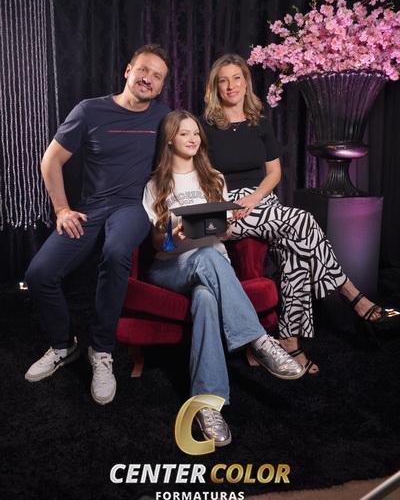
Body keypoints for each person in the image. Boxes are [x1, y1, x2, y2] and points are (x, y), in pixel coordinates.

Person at [201, 53, 386, 376]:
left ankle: (290, 340)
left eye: (237, 78)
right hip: (228, 206)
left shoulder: (259, 122)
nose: (231, 86)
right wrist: (227, 204)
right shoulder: (206, 126)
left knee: (294, 252)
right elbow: (201, 174)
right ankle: (349, 292)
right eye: (223, 80)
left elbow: (274, 173)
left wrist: (256, 198)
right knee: (304, 220)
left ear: (246, 82)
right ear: (215, 87)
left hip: (262, 201)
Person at [142, 110, 304, 447]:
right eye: (184, 133)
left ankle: (207, 404)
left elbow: (225, 233)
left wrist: (226, 227)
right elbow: (158, 243)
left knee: (204, 297)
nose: (193, 139)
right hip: (171, 267)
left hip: (212, 264)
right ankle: (260, 341)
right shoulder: (156, 184)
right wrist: (172, 234)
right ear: (170, 139)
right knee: (203, 256)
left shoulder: (213, 178)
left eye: (196, 133)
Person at [24, 44, 171, 404]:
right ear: (128, 70)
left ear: (161, 86)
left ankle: (101, 351)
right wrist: (62, 209)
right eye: (144, 70)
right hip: (90, 208)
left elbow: (188, 152)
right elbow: (50, 161)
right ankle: (63, 345)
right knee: (39, 274)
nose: (148, 79)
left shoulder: (164, 117)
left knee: (117, 251)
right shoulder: (90, 110)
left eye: (157, 76)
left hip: (132, 207)